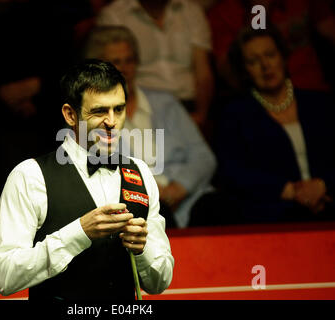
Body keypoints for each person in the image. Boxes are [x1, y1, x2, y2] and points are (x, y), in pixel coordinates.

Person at [0, 60, 174, 300]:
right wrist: (79, 233)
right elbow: (5, 277)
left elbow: (160, 282)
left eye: (118, 109)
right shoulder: (30, 176)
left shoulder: (140, 173)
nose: (111, 122)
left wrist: (142, 251)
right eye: (99, 111)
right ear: (70, 115)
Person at [82, 25, 228, 228]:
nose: (124, 68)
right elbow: (97, 178)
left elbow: (204, 157)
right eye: (115, 62)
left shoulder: (166, 104)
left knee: (219, 208)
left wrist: (179, 187)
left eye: (129, 60)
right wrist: (151, 193)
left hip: (191, 198)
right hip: (135, 209)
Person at [215, 27, 335, 224]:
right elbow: (234, 172)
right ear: (244, 70)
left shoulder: (322, 104)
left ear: (283, 57)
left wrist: (323, 185)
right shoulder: (235, 115)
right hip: (272, 212)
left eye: (270, 55)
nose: (265, 65)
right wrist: (288, 190)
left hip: (328, 201)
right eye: (253, 61)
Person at [96, 0, 215, 128]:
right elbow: (109, 75)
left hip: (187, 107)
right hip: (141, 109)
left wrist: (200, 115)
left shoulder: (191, 12)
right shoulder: (115, 15)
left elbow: (203, 72)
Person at [208, 0, 335, 95]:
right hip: (263, 103)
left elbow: (328, 27)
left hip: (314, 91)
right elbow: (232, 76)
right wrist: (259, 9)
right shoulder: (222, 14)